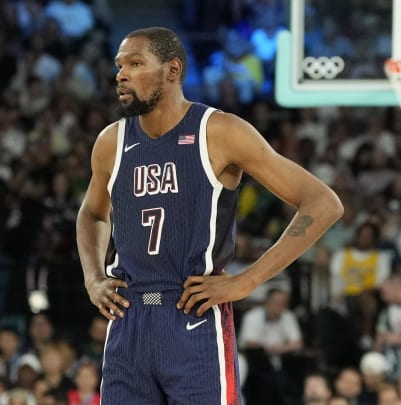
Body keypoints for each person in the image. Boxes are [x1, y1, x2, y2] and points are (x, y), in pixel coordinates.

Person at [75, 27, 343, 404]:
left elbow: (322, 202)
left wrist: (248, 281)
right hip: (129, 319)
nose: (121, 74)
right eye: (120, 65)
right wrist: (92, 278)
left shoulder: (218, 131)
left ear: (172, 70)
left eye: (136, 64)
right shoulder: (110, 142)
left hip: (193, 315)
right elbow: (92, 215)